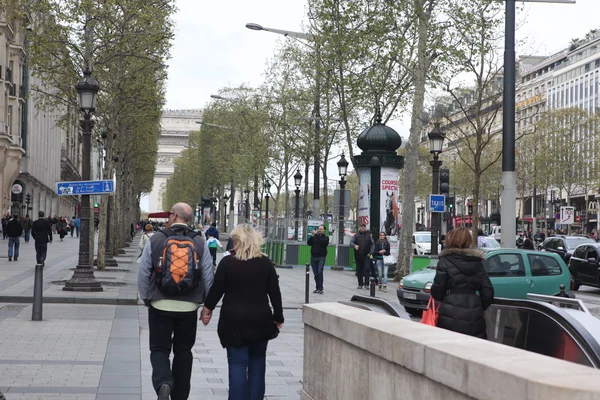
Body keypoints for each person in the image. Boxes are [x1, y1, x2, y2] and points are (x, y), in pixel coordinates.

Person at [138, 202, 214, 400]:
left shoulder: (156, 239)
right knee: (183, 352)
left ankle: (164, 382)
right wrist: (207, 304)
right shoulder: (199, 241)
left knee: (159, 349)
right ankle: (180, 395)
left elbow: (143, 272)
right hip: (189, 306)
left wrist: (147, 297)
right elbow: (207, 275)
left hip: (160, 304)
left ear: (173, 216)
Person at [200, 224, 284, 400]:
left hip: (233, 322)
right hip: (260, 321)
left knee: (237, 364)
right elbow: (275, 294)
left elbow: (216, 290)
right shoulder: (266, 263)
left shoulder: (227, 263)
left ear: (237, 241)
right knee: (258, 364)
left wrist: (207, 310)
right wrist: (278, 318)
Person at [430, 227, 494, 339]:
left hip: (449, 314)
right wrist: (477, 306)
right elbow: (488, 292)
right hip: (474, 315)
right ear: (468, 241)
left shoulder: (445, 261)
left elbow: (437, 291)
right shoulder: (477, 263)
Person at [350, 224, 374, 289]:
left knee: (367, 269)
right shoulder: (356, 235)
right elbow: (351, 242)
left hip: (366, 255)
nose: (363, 228)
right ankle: (360, 284)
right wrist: (354, 245)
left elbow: (372, 244)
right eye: (362, 227)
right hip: (358, 255)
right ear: (359, 228)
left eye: (364, 227)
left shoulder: (369, 236)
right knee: (359, 270)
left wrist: (370, 252)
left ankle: (366, 284)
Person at [307, 224, 329, 294]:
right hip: (313, 257)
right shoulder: (315, 237)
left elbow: (322, 242)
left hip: (321, 257)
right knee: (315, 273)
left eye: (321, 229)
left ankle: (320, 288)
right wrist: (312, 236)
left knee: (319, 272)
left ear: (324, 230)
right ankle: (317, 287)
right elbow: (309, 243)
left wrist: (316, 235)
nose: (319, 230)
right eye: (319, 229)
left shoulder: (326, 238)